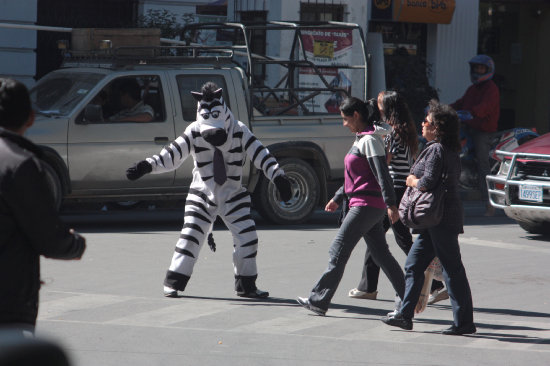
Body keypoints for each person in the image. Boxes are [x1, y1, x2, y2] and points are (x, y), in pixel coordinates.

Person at [126, 82, 291, 298]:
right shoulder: (194, 131)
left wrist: (278, 177)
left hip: (233, 193)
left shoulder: (239, 130)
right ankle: (174, 281)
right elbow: (172, 155)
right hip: (201, 193)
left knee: (247, 237)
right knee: (191, 235)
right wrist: (147, 165)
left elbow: (261, 154)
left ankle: (246, 285)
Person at [296, 97, 405, 316]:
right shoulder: (362, 138)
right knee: (382, 255)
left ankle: (318, 300)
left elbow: (382, 175)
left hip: (366, 206)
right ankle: (408, 298)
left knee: (338, 249)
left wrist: (392, 204)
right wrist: (337, 197)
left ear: (356, 116)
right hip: (366, 205)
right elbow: (353, 177)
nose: (344, 124)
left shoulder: (371, 141)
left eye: (346, 119)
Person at [381, 100, 476, 335]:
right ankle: (405, 315)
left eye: (427, 121)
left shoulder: (436, 149)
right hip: (435, 218)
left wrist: (411, 180)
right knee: (414, 265)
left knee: (452, 270)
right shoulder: (450, 149)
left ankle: (464, 323)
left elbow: (427, 182)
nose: (422, 123)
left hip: (439, 218)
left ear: (437, 128)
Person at [0, 78, 86, 334]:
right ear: (31, 118)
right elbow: (50, 237)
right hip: (8, 302)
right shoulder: (21, 165)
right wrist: (75, 244)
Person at [348, 90, 445, 302]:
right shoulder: (406, 129)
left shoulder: (391, 133)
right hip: (400, 189)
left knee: (401, 240)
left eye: (380, 104)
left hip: (394, 191)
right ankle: (368, 286)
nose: (376, 106)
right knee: (375, 238)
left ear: (388, 108)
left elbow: (385, 162)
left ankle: (436, 284)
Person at [451, 54, 500, 217]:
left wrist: (470, 113)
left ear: (488, 70)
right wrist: (443, 109)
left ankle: (489, 204)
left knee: (482, 165)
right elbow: (460, 102)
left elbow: (484, 108)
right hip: (468, 128)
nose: (478, 71)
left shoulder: (491, 88)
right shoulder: (472, 89)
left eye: (481, 68)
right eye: (476, 68)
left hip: (483, 132)